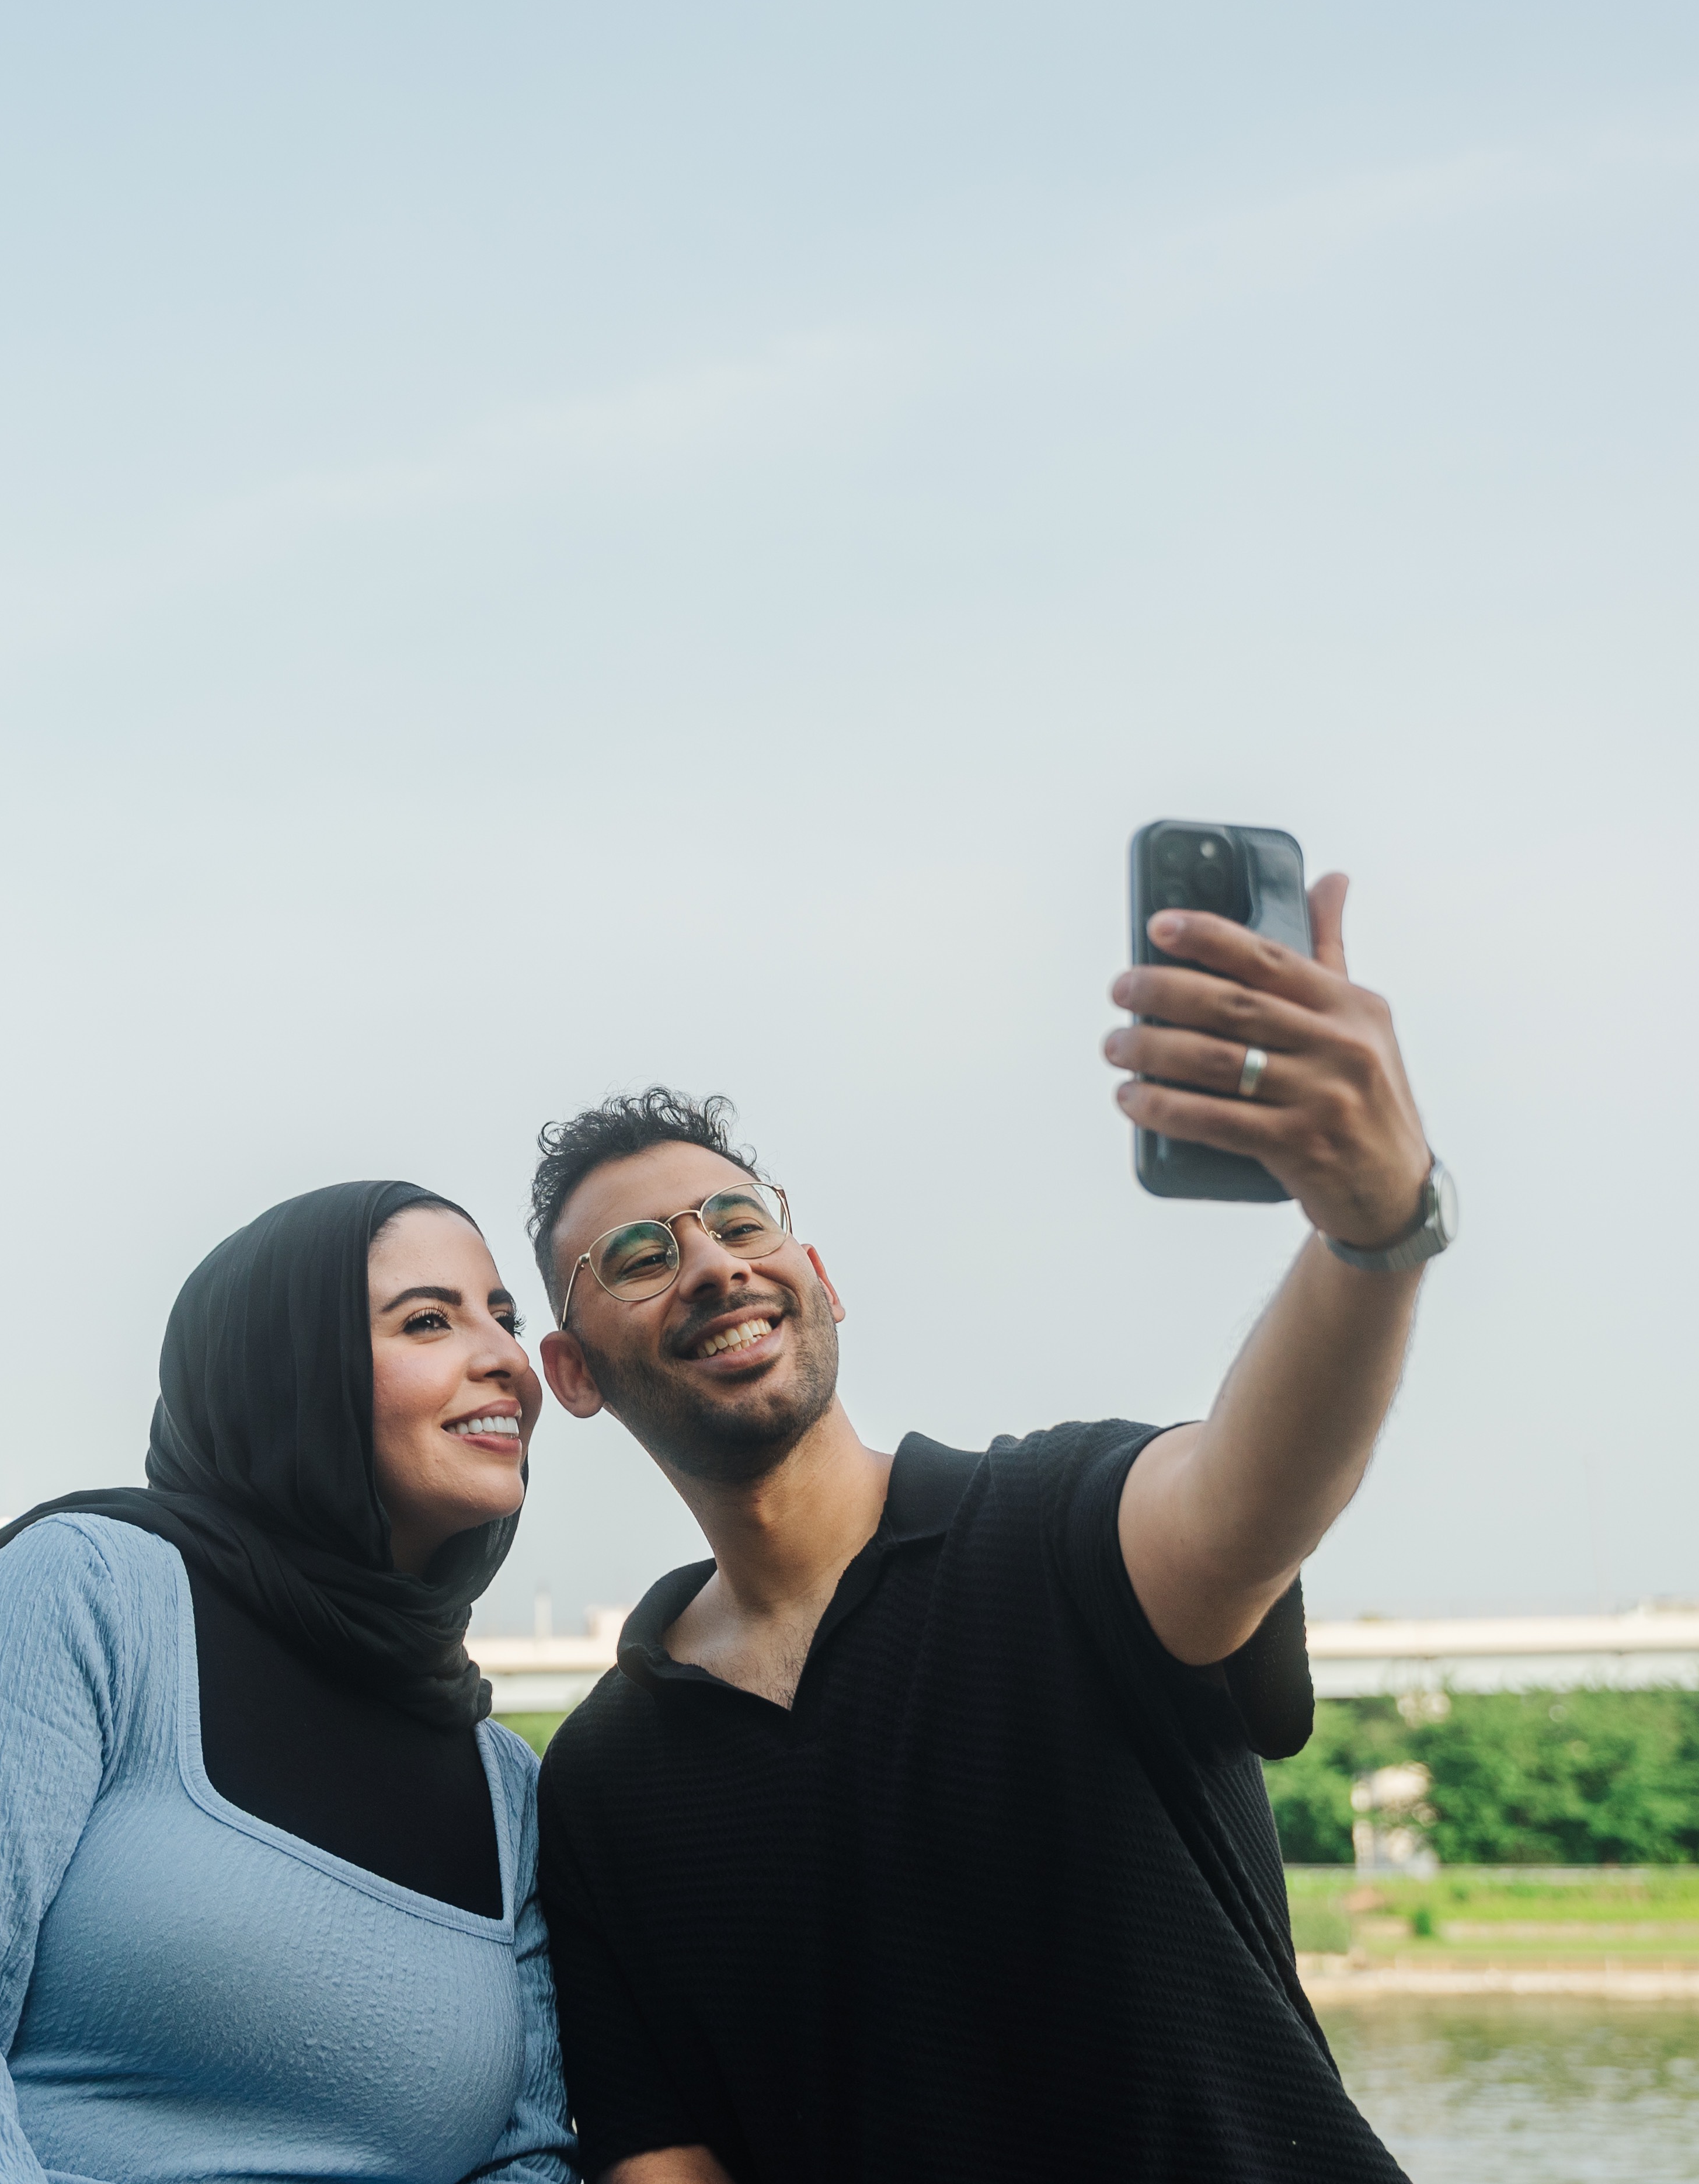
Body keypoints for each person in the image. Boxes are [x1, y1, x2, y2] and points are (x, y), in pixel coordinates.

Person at [529, 879, 1448, 2181]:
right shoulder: (606, 1774)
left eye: (743, 1223)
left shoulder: (1058, 1526)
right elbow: (661, 2151)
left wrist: (1374, 1230)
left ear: (819, 1280)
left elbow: (1250, 1498)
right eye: (638, 1254)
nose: (717, 1265)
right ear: (573, 1372)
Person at [0, 1179, 577, 2184]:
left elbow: (533, 2153)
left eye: (505, 1320)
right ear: (283, 1372)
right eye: (429, 1320)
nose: (507, 1357)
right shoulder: (93, 1591)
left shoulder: (504, 1788)